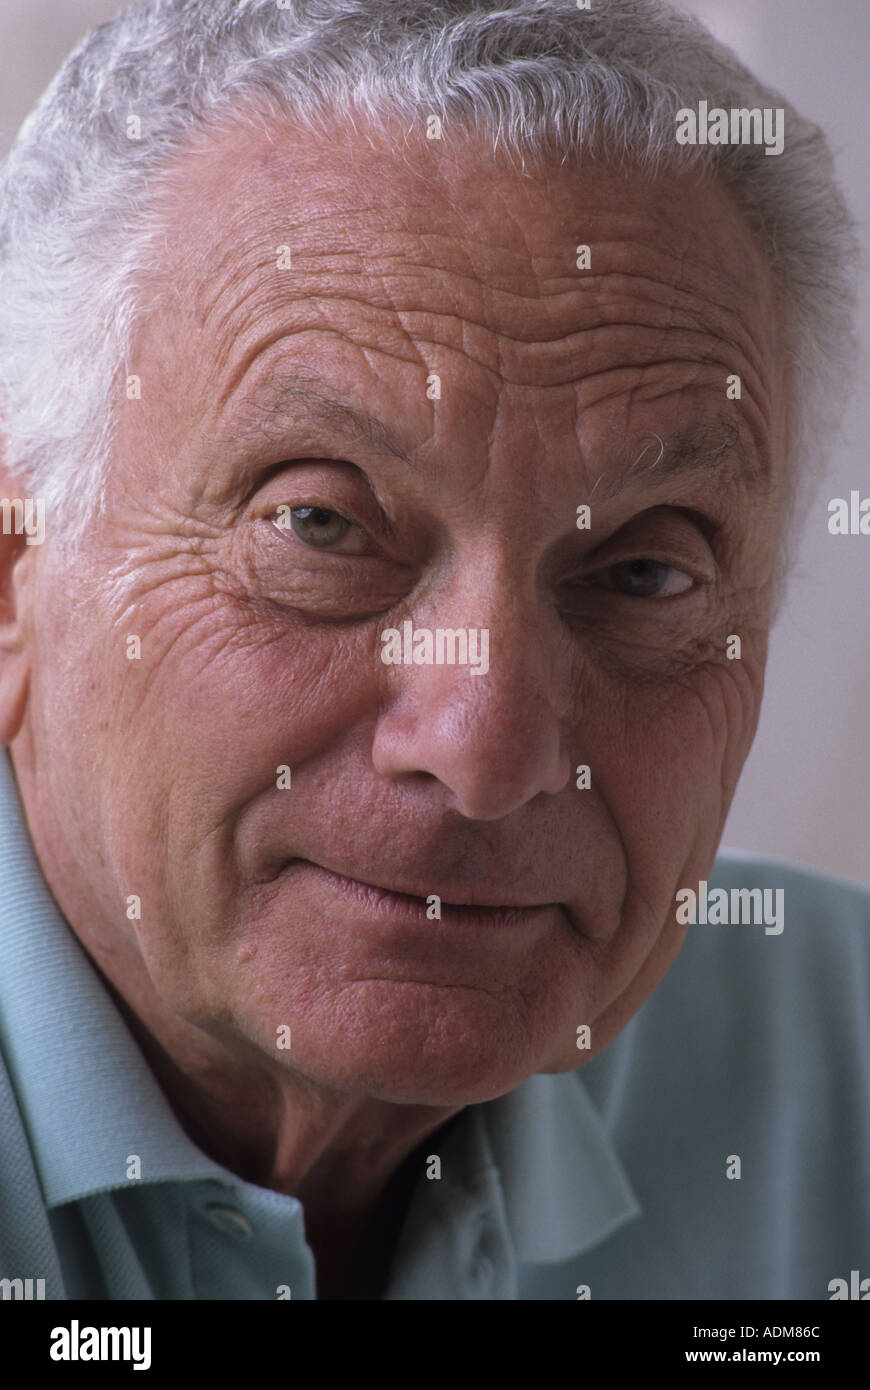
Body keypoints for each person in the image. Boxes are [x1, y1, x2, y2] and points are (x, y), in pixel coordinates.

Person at [0, 0, 866, 1302]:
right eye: (320, 523)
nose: (486, 750)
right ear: (18, 573)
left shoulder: (839, 1059)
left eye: (643, 570)